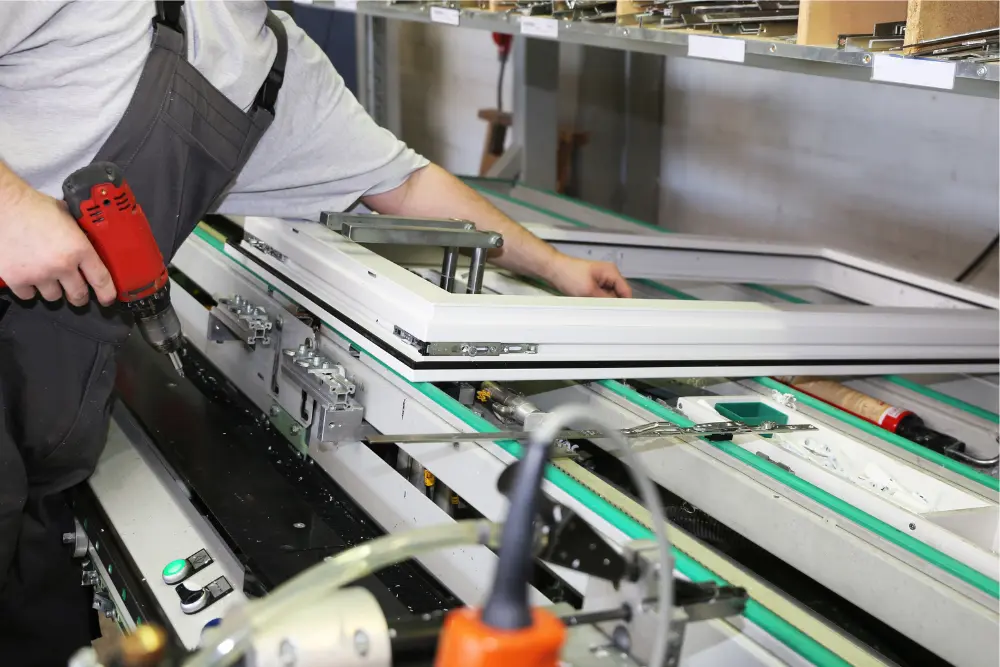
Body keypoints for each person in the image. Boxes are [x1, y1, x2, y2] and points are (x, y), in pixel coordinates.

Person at [0, 1, 631, 663]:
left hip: (46, 406)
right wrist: (12, 208)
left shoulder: (275, 67)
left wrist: (556, 266)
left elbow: (405, 184)